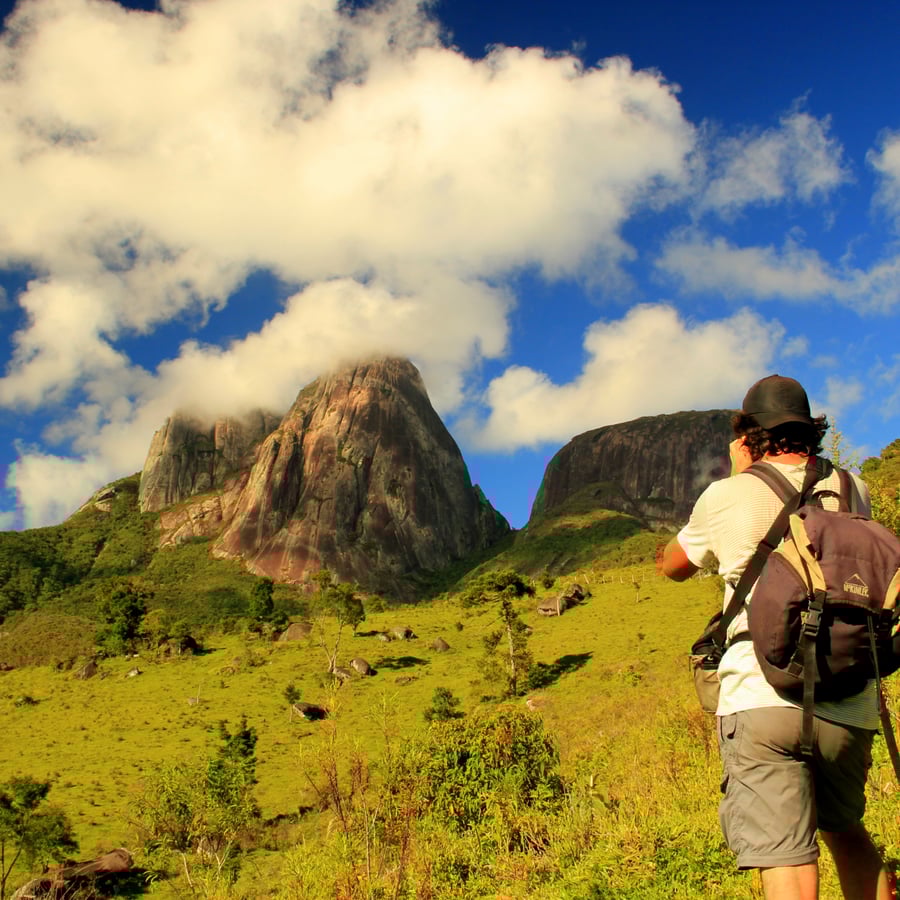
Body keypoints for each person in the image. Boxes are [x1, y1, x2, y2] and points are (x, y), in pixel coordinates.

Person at [661, 374, 893, 900]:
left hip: (762, 695)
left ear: (749, 434)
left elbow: (672, 566)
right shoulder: (856, 488)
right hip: (849, 699)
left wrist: (742, 473)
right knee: (849, 835)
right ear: (810, 431)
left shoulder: (727, 494)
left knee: (786, 860)